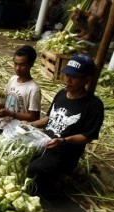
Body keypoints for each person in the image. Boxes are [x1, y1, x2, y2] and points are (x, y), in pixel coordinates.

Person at [26, 54, 104, 193]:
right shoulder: (61, 93)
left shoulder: (94, 105)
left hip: (63, 152)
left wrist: (62, 141)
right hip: (43, 141)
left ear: (87, 79)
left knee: (33, 170)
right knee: (16, 155)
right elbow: (49, 118)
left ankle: (57, 183)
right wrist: (31, 124)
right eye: (67, 74)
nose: (67, 79)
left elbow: (88, 136)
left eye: (74, 77)